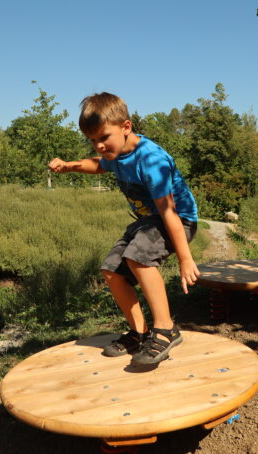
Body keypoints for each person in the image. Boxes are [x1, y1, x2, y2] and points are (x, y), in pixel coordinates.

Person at [48, 92, 199, 365]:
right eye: (92, 140)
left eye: (104, 137)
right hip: (148, 222)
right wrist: (69, 166)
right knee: (112, 270)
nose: (99, 146)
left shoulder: (151, 160)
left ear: (126, 127)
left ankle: (166, 329)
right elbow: (98, 165)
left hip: (179, 219)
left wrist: (185, 258)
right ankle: (140, 333)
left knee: (138, 257)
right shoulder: (116, 153)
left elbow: (168, 212)